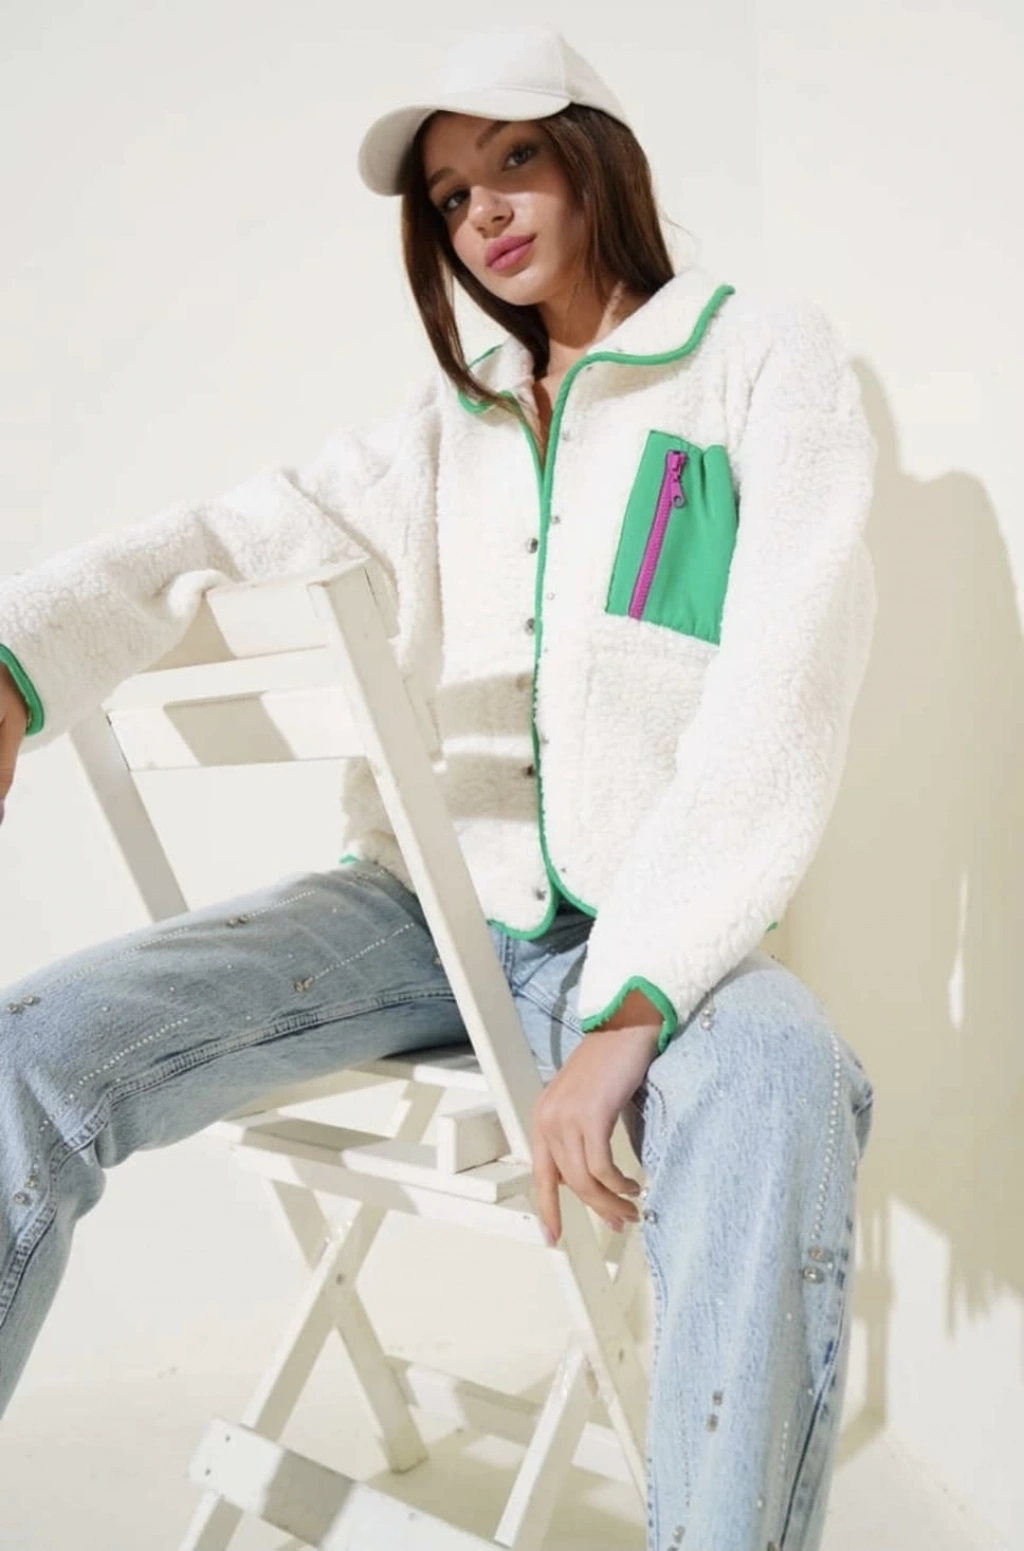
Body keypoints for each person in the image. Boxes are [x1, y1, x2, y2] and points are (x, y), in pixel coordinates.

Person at [0, 23, 878, 1551]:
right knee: (32, 1048)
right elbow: (210, 538)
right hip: (416, 915)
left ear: (597, 157)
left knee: (783, 1077)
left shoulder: (760, 360)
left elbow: (784, 683)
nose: (483, 211)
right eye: (453, 194)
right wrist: (13, 665)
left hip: (655, 935)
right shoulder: (437, 431)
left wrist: (630, 1009)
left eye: (515, 158)